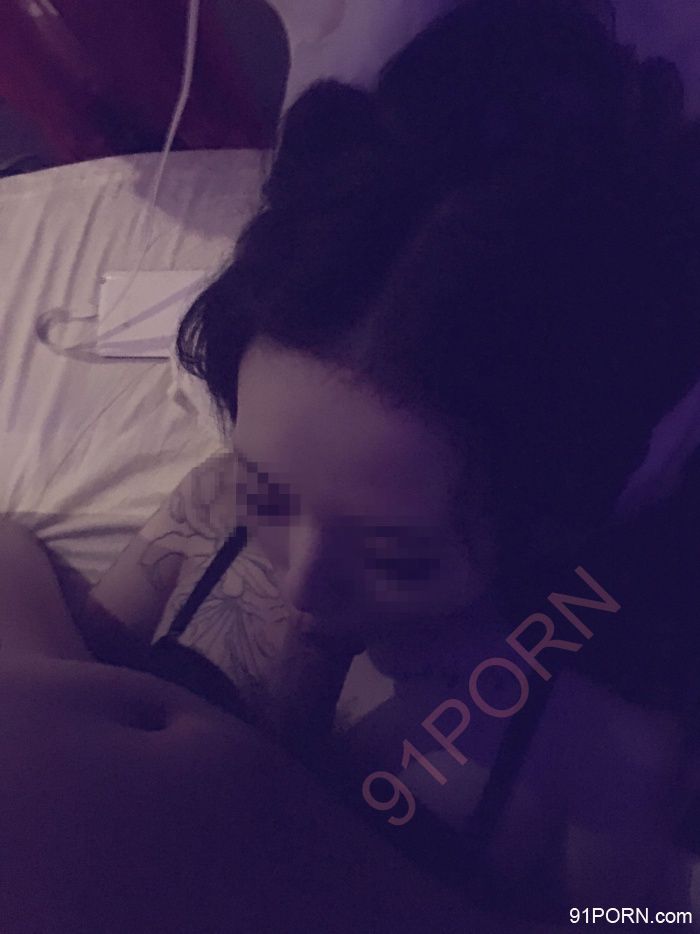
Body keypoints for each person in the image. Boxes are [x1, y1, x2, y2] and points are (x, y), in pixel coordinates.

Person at [2, 0, 700, 929]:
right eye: (267, 493)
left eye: (399, 558)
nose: (303, 583)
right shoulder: (207, 511)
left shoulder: (595, 754)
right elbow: (78, 676)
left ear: (541, 523)